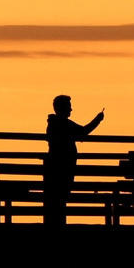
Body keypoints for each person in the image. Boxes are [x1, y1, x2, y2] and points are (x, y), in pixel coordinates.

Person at [44, 95, 104, 228]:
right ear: (62, 108)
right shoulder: (64, 124)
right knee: (61, 197)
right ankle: (58, 226)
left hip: (56, 165)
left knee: (56, 199)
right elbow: (83, 132)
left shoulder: (53, 124)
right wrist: (97, 120)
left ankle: (55, 225)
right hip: (64, 166)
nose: (71, 109)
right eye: (68, 106)